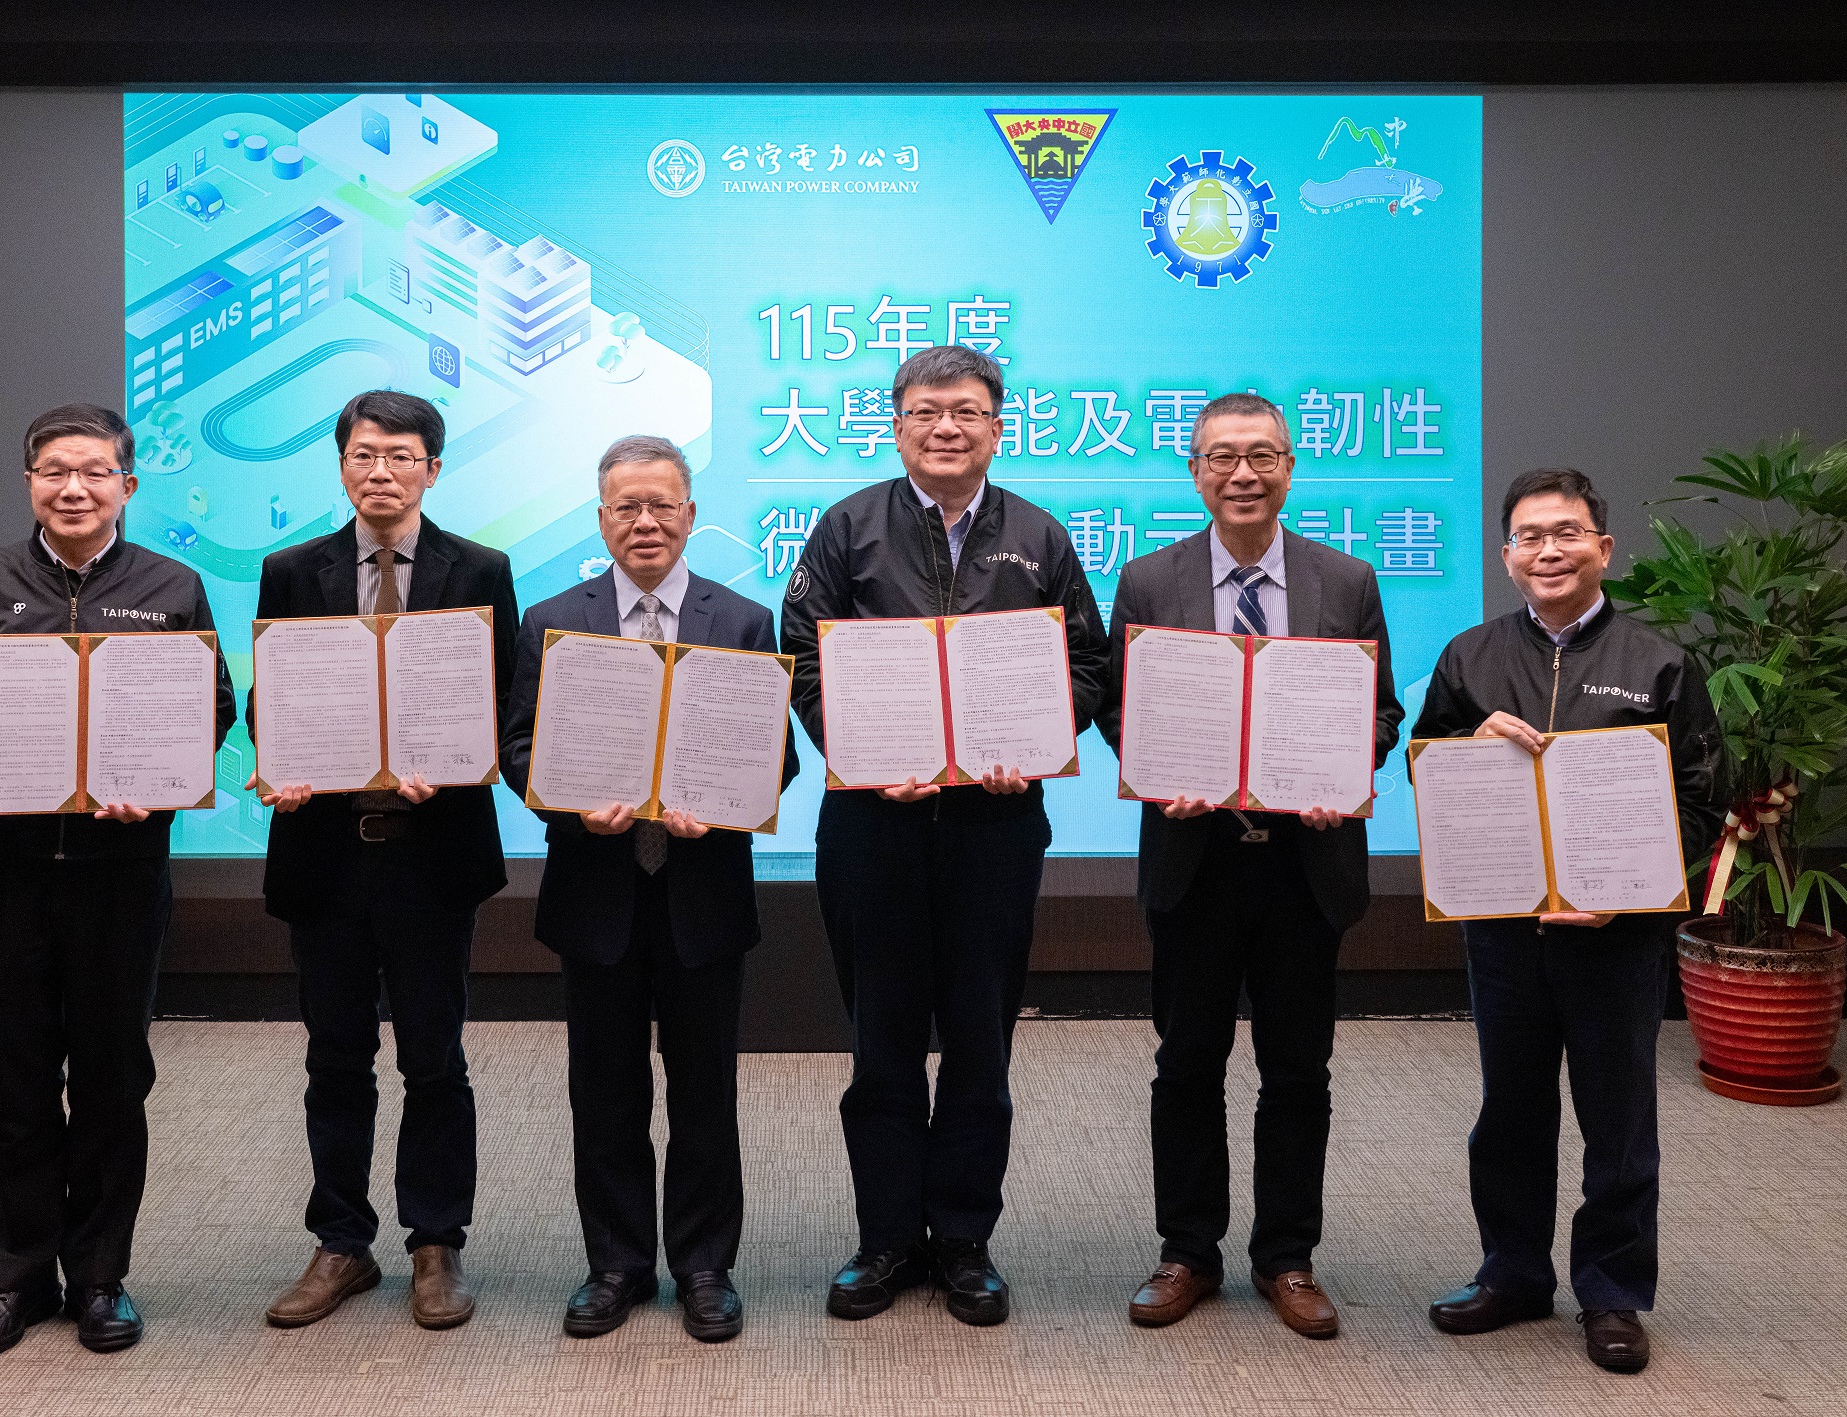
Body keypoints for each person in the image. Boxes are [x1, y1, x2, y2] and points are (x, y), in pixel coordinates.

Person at [779, 344, 1107, 1327]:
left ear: (997, 426)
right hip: (871, 825)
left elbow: (1084, 664)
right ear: (897, 423)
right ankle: (884, 1240)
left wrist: (1038, 738)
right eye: (926, 411)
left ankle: (963, 1240)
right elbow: (802, 657)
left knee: (978, 1039)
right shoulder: (846, 527)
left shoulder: (1039, 536)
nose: (946, 428)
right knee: (880, 1037)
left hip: (993, 828)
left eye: (966, 411)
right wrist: (868, 748)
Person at [0, 403, 237, 1360]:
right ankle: (13, 1280)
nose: (74, 487)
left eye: (94, 471)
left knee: (110, 1077)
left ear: (129, 484)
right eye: (55, 471)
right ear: (30, 483)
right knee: (12, 1081)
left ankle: (99, 1279)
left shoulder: (172, 586)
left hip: (120, 876)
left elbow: (207, 703)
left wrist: (161, 783)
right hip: (7, 873)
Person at [1096, 392, 1402, 1341]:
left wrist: (1342, 770)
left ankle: (1288, 1257)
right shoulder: (1147, 579)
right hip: (1195, 859)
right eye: (1222, 456)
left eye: (1262, 455)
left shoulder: (1344, 578)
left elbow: (1380, 709)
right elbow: (1117, 705)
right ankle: (1185, 1251)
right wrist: (1155, 769)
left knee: (1296, 1068)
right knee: (1186, 1060)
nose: (1243, 473)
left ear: (1290, 466)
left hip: (1304, 864)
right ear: (1193, 470)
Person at [1413, 467, 1721, 1374]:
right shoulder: (1468, 658)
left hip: (1615, 937)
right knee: (1507, 1110)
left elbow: (1703, 804)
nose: (1548, 550)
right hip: (1504, 932)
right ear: (1505, 554)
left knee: (1617, 1115)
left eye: (1566, 533)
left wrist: (1625, 890)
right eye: (1527, 536)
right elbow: (1424, 772)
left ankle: (1613, 1292)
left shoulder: (1659, 663)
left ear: (1602, 547)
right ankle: (1511, 1273)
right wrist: (1465, 749)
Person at [501, 435, 798, 1343]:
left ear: (690, 517)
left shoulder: (743, 620)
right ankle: (616, 1264)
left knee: (705, 1090)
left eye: (661, 505)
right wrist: (567, 797)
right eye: (625, 506)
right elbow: (517, 746)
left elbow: (775, 755)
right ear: (600, 520)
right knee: (605, 1090)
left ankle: (705, 1264)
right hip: (596, 895)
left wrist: (723, 802)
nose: (644, 522)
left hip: (703, 894)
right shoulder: (551, 617)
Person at [249, 390, 519, 1333]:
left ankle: (436, 1241)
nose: (381, 472)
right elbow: (268, 697)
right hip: (325, 853)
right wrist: (278, 762)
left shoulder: (481, 568)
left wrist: (446, 769)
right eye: (364, 454)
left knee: (435, 1056)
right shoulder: (292, 569)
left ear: (432, 470)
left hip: (430, 854)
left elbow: (498, 702)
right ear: (340, 465)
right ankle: (340, 1240)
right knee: (335, 1055)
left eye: (402, 456)